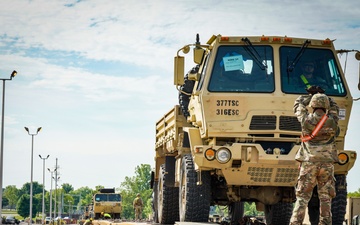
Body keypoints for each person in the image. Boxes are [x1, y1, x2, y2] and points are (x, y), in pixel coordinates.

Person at [289, 86, 339, 225]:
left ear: (312, 105)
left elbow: (297, 104)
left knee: (302, 197)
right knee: (325, 197)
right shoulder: (333, 121)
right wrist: (324, 96)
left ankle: (295, 223)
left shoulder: (306, 120)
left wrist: (311, 96)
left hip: (309, 163)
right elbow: (335, 106)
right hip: (327, 164)